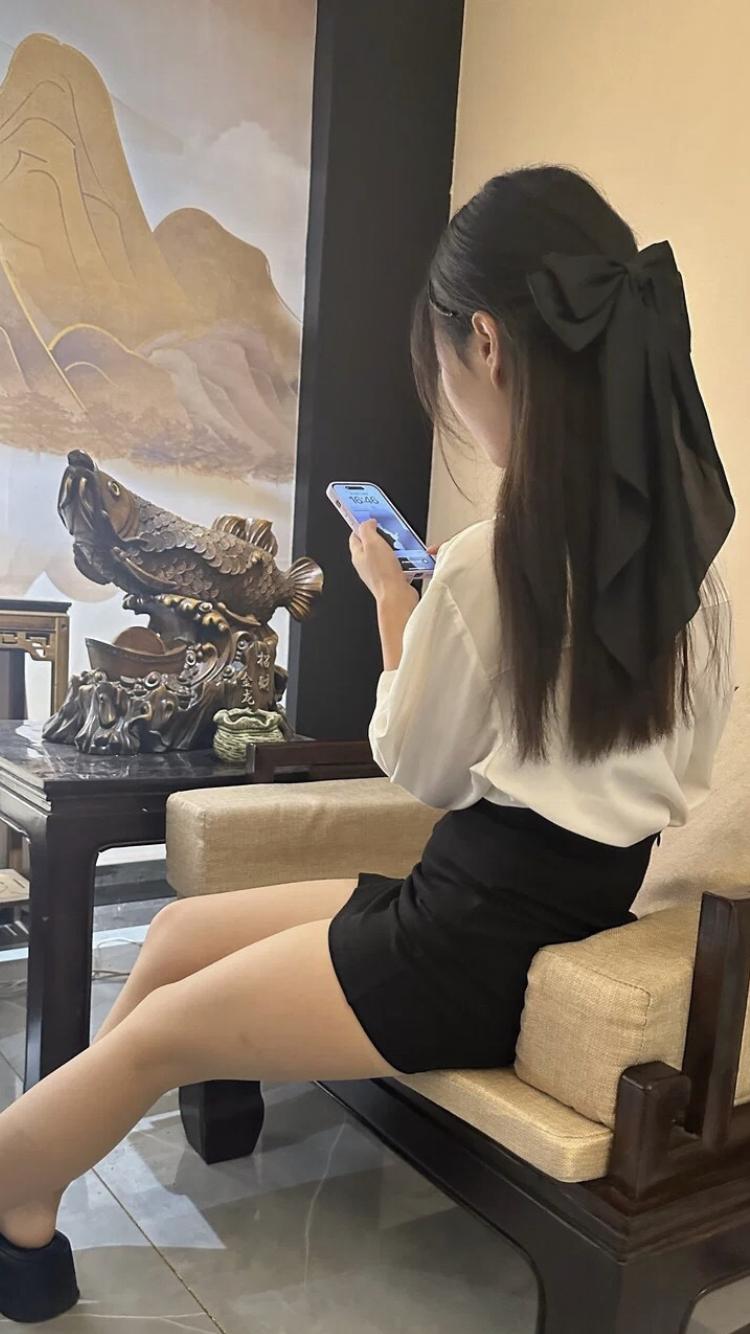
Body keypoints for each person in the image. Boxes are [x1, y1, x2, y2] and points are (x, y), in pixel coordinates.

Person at [0, 166, 734, 1321]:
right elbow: (667, 779)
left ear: (485, 342)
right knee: (179, 935)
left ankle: (17, 1192)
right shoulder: (698, 582)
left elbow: (418, 767)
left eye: (447, 367)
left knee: (163, 1032)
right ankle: (45, 1182)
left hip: (469, 940)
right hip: (520, 900)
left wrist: (398, 608)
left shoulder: (492, 565)